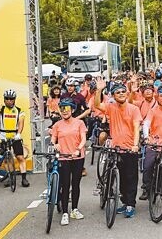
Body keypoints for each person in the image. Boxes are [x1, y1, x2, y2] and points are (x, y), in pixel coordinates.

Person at [94, 78, 142, 218]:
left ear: (126, 94)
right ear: (113, 96)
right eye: (117, 92)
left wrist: (135, 145)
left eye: (123, 92)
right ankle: (123, 202)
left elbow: (136, 127)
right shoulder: (111, 107)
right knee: (119, 177)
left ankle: (130, 204)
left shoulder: (133, 109)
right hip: (116, 149)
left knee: (131, 177)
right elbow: (97, 105)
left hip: (129, 149)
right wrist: (99, 90)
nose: (121, 94)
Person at [51, 98, 87, 226]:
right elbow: (53, 137)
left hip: (77, 157)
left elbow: (83, 138)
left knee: (75, 183)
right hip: (63, 157)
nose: (64, 111)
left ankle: (74, 209)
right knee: (65, 184)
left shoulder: (80, 123)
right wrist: (54, 144)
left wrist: (78, 150)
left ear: (72, 109)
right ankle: (65, 213)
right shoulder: (57, 125)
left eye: (66, 108)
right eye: (62, 109)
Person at [0, 73, 29, 187]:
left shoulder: (19, 110)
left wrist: (19, 134)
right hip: (3, 136)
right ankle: (11, 177)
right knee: (7, 159)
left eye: (11, 99)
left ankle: (24, 179)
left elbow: (21, 122)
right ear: (5, 99)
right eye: (7, 99)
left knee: (20, 157)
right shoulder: (0, 109)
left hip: (15, 135)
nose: (9, 101)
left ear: (14, 99)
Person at [61, 77, 90, 176]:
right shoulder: (63, 96)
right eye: (68, 86)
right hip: (66, 123)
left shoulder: (80, 97)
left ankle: (81, 167)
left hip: (78, 123)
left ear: (75, 87)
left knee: (80, 144)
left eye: (72, 86)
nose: (70, 88)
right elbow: (60, 107)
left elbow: (87, 109)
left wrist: (78, 118)